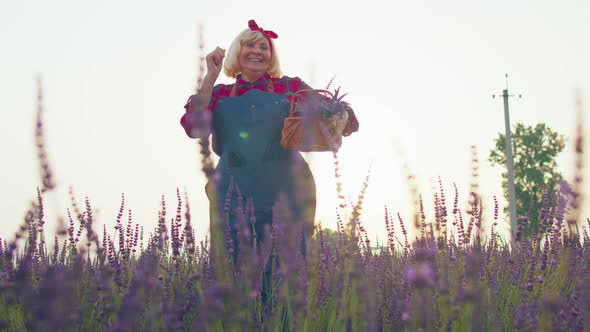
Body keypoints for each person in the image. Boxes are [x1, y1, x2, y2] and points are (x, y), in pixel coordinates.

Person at [180, 19, 359, 262]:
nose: (257, 51)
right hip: (233, 193)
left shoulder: (290, 87)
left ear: (270, 56)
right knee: (235, 269)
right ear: (237, 52)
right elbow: (194, 127)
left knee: (288, 271)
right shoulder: (220, 93)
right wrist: (210, 77)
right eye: (250, 45)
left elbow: (335, 113)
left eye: (264, 47)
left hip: (287, 190)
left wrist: (338, 115)